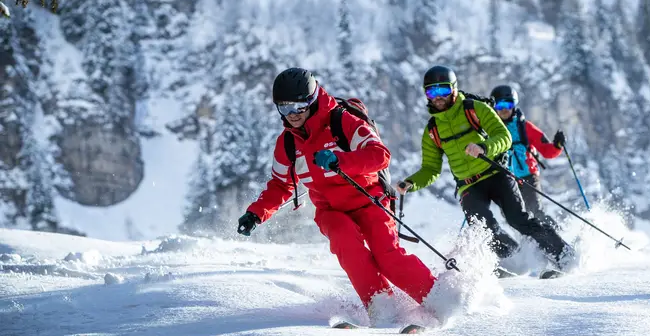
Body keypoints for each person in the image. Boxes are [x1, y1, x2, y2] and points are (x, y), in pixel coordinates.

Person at [237, 67, 437, 317]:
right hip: (330, 210)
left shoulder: (342, 121)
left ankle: (437, 298)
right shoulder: (287, 143)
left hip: (368, 200)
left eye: (298, 106)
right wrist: (256, 213)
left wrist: (340, 161)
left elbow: (380, 155)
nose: (292, 115)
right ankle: (383, 308)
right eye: (285, 108)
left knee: (387, 257)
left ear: (312, 100)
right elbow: (280, 185)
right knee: (347, 246)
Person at [395, 65, 575, 274]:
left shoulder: (475, 109)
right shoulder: (432, 130)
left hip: (496, 173)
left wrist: (484, 147)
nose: (438, 97)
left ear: (454, 89)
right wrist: (411, 183)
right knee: (483, 229)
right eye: (431, 92)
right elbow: (430, 168)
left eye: (443, 90)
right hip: (468, 185)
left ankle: (563, 255)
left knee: (518, 219)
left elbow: (504, 137)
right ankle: (515, 261)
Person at [490, 85, 565, 230]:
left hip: (528, 176)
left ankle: (558, 235)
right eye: (500, 105)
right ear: (494, 107)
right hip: (506, 180)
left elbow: (547, 151)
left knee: (536, 212)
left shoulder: (525, 127)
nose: (504, 109)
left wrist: (557, 145)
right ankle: (529, 242)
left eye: (508, 105)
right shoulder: (491, 130)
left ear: (514, 105)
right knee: (513, 217)